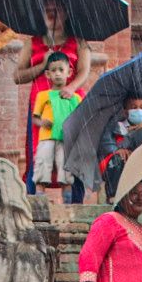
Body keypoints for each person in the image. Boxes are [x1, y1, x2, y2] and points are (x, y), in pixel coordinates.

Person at [14, 0, 93, 191]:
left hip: (70, 103)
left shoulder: (79, 43)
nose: (52, 14)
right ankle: (33, 199)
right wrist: (43, 65)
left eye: (56, 10)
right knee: (38, 152)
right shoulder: (32, 44)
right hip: (43, 106)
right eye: (47, 10)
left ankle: (75, 199)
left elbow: (84, 71)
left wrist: (71, 87)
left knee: (74, 151)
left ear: (65, 14)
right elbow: (17, 76)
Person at [31, 52, 83, 193]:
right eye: (53, 71)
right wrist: (41, 122)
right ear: (47, 74)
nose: (58, 74)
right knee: (42, 168)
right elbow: (34, 118)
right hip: (46, 138)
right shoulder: (43, 95)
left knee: (66, 172)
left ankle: (66, 205)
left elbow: (80, 119)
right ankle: (39, 202)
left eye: (61, 70)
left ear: (69, 72)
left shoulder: (75, 98)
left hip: (67, 139)